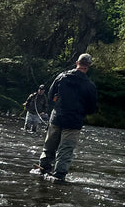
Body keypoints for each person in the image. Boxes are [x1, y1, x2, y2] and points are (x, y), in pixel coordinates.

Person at [34, 54, 97, 182]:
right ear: (88, 66)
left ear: (77, 62)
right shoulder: (90, 85)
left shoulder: (62, 77)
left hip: (56, 118)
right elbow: (91, 108)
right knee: (65, 149)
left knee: (49, 146)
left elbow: (51, 95)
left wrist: (57, 107)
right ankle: (59, 175)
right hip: (74, 122)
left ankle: (43, 168)